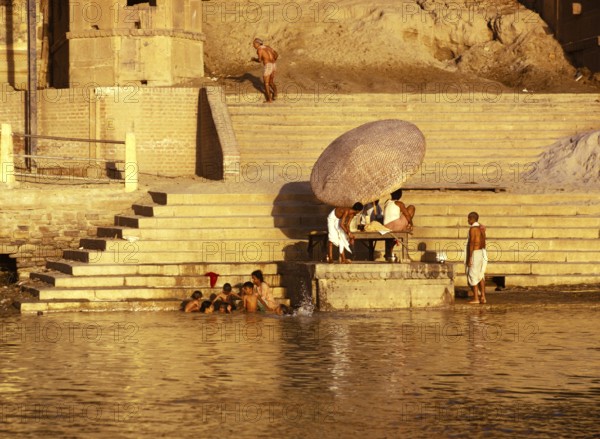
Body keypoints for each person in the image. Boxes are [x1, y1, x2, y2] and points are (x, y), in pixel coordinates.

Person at [383, 189, 415, 259]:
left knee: (403, 217)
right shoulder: (399, 203)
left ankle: (389, 252)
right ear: (400, 195)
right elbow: (407, 214)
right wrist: (411, 224)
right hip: (394, 226)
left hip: (386, 226)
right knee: (411, 208)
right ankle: (406, 256)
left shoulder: (387, 202)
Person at [466, 211, 488, 304]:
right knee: (480, 275)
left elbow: (472, 243)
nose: (467, 221)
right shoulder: (481, 228)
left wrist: (469, 257)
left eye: (468, 219)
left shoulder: (473, 229)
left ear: (471, 219)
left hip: (475, 253)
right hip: (482, 252)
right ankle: (483, 297)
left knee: (473, 275)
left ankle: (476, 298)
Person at [252, 38, 278, 103]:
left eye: (254, 44)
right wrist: (273, 60)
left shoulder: (259, 49)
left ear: (258, 44)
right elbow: (276, 54)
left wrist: (254, 59)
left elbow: (259, 60)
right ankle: (275, 93)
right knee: (271, 81)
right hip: (274, 65)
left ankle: (269, 100)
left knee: (266, 83)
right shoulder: (268, 47)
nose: (253, 46)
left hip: (268, 66)